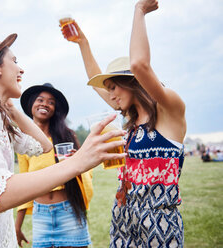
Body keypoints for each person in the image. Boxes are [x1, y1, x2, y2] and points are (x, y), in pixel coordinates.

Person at [0, 33, 126, 248]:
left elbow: (43, 146)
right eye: (14, 61)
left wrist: (13, 110)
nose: (21, 69)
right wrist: (78, 162)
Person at [62, 0, 187, 247]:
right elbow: (94, 80)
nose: (111, 95)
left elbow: (140, 65)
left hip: (158, 220)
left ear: (131, 81)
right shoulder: (131, 122)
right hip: (123, 214)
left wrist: (139, 10)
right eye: (108, 90)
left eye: (113, 86)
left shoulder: (170, 109)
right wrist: (83, 44)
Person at [15, 83, 93, 247]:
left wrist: (77, 162)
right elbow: (23, 185)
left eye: (50, 102)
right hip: (40, 215)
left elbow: (86, 171)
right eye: (40, 100)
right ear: (31, 105)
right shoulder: (24, 143)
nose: (44, 104)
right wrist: (17, 226)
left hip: (69, 212)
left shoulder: (67, 136)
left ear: (55, 109)